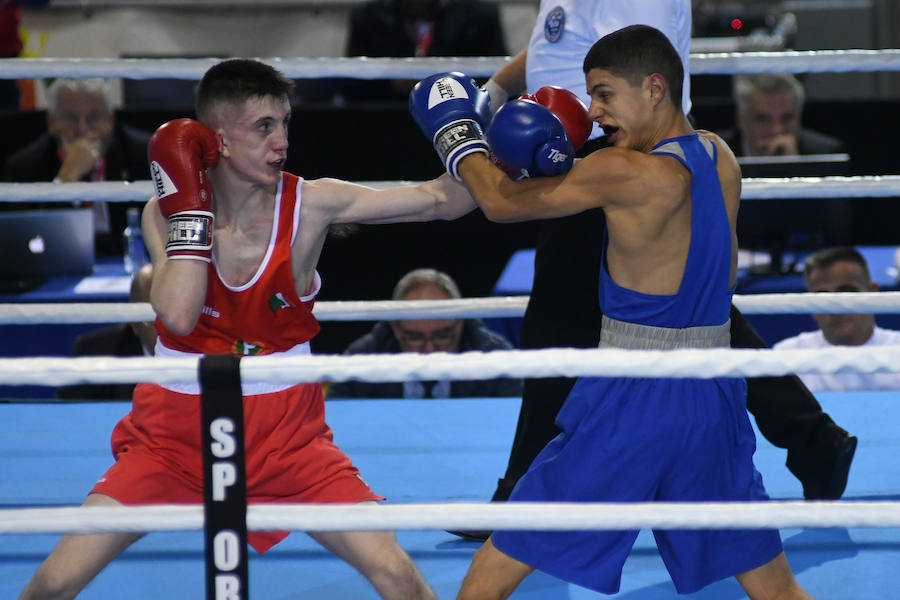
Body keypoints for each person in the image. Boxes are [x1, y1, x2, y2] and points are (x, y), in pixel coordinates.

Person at [19, 58, 477, 600]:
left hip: (289, 438)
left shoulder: (310, 204)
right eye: (263, 126)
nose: (281, 140)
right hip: (172, 436)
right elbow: (179, 315)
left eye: (285, 124)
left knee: (400, 577)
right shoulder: (163, 212)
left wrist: (473, 139)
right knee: (54, 580)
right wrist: (191, 209)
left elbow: (444, 201)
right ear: (216, 140)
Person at [410, 25, 812, 598]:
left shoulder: (622, 172)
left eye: (603, 94)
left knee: (501, 559)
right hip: (713, 397)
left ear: (654, 88)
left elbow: (498, 203)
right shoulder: (721, 157)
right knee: (774, 586)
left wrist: (458, 135)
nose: (594, 113)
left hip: (634, 397)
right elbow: (719, 281)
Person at [471, 1, 855, 538]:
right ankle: (813, 439)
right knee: (688, 305)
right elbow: (557, 47)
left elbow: (632, 69)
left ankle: (524, 494)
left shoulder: (627, 114)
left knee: (568, 318)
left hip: (613, 150)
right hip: (592, 144)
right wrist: (495, 89)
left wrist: (459, 136)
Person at [2, 77, 152, 255]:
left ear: (111, 120)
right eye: (70, 118)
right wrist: (67, 177)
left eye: (94, 118)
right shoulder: (24, 168)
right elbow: (28, 247)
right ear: (51, 122)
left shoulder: (146, 156)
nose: (83, 129)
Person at [328, 267, 523, 399]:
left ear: (460, 323)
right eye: (415, 337)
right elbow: (339, 427)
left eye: (442, 335)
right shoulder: (360, 361)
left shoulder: (495, 359)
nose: (430, 350)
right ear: (395, 328)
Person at [774, 246, 900, 391]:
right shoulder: (788, 356)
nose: (836, 307)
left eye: (846, 292)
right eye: (823, 296)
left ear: (873, 293)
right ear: (809, 303)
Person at [339, 0, 506, 102]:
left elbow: (498, 79)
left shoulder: (480, 17)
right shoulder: (368, 18)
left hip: (460, 119)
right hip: (386, 126)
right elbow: (351, 85)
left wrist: (446, 81)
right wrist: (391, 83)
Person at [55, 263, 157, 401]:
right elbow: (72, 414)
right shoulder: (95, 354)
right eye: (154, 319)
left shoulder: (195, 349)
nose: (168, 327)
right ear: (134, 323)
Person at [719, 72, 847, 157]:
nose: (777, 130)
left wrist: (794, 169)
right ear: (742, 120)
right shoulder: (712, 155)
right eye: (763, 119)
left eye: (787, 118)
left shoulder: (826, 155)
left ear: (799, 116)